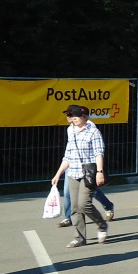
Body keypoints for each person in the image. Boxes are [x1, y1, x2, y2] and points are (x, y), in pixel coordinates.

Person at [50, 104, 109, 248]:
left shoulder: (93, 132)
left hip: (88, 173)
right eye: (69, 116)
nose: (71, 119)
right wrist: (58, 174)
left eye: (74, 117)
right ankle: (79, 238)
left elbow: (98, 153)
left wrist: (100, 172)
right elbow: (68, 155)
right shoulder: (70, 131)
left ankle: (101, 225)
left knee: (84, 204)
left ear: (85, 118)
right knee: (75, 208)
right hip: (73, 173)